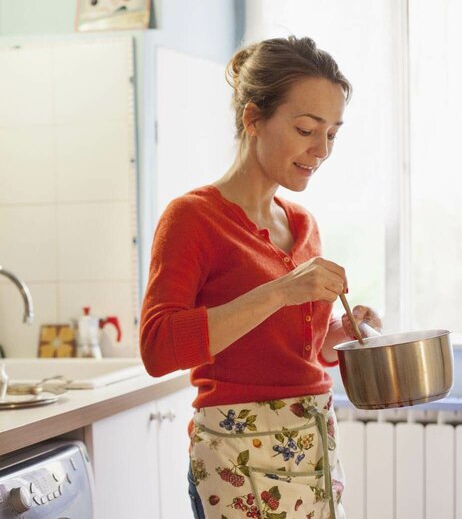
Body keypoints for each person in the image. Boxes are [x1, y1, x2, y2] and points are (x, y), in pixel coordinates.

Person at [139, 36, 382, 519]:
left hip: (313, 445)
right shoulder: (192, 217)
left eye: (332, 133)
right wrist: (279, 293)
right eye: (306, 129)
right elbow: (158, 347)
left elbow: (296, 353)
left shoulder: (303, 224)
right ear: (253, 119)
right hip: (237, 455)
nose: (321, 149)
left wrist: (339, 334)